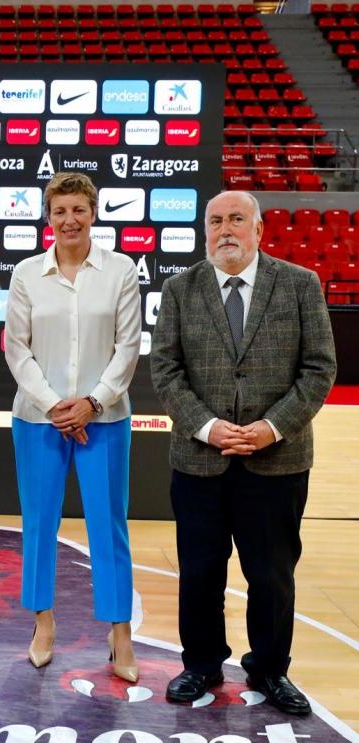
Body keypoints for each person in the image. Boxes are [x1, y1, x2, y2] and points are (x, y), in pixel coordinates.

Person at [150, 190, 336, 715]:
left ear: (259, 230)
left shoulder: (300, 284)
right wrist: (207, 428)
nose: (225, 228)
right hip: (200, 460)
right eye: (216, 220)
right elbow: (165, 370)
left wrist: (271, 428)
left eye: (237, 219)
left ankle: (271, 669)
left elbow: (319, 368)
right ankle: (202, 664)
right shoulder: (180, 288)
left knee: (271, 573)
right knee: (201, 571)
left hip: (276, 461)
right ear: (205, 230)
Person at [4, 172, 141, 681]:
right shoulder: (25, 273)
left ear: (94, 212)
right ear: (48, 217)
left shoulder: (121, 270)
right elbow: (17, 348)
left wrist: (92, 402)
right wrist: (56, 406)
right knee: (40, 524)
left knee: (109, 526)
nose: (69, 220)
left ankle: (119, 632)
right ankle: (43, 623)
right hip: (39, 421)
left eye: (78, 210)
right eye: (60, 211)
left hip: (105, 419)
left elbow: (128, 347)